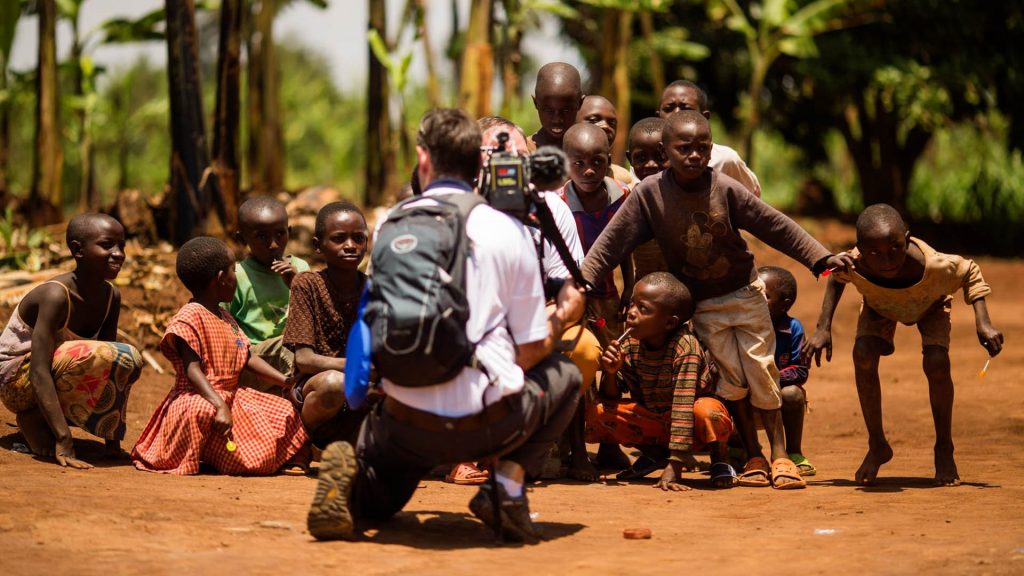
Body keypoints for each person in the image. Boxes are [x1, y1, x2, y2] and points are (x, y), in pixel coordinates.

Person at [306, 108, 585, 543]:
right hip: (488, 424)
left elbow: (369, 329)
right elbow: (531, 349)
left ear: (423, 160)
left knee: (383, 500)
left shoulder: (389, 225)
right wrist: (565, 312)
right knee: (565, 374)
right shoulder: (506, 228)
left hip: (406, 423)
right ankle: (505, 489)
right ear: (481, 164)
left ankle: (357, 493)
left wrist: (368, 402)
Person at [580, 110, 852, 490]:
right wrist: (579, 282)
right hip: (703, 303)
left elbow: (772, 223)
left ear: (710, 151)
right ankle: (754, 455)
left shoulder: (723, 187)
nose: (694, 155)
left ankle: (780, 455)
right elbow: (611, 242)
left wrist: (820, 258)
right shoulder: (649, 194)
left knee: (760, 369)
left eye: (702, 148)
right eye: (684, 148)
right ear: (667, 151)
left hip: (743, 292)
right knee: (730, 378)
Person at [803, 204, 1003, 486]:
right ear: (859, 249)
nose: (887, 260)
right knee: (862, 354)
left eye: (895, 248)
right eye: (875, 253)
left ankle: (944, 447)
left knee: (936, 362)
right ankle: (877, 445)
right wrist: (823, 327)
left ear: (907, 239)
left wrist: (983, 322)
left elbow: (969, 272)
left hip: (930, 304)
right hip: (880, 306)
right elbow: (836, 278)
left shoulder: (934, 266)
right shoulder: (853, 262)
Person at [478, 116, 606, 481]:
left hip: (530, 326)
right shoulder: (453, 208)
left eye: (518, 155)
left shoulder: (550, 207)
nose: (509, 164)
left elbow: (570, 288)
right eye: (498, 155)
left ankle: (526, 452)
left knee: (582, 351)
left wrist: (544, 329)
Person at [132, 237, 309, 475]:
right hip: (200, 397)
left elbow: (247, 357)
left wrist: (285, 381)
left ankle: (213, 450)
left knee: (284, 411)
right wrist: (218, 405)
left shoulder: (226, 318)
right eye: (234, 271)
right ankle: (190, 453)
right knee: (201, 411)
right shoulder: (190, 316)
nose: (237, 277)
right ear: (220, 278)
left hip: (232, 397)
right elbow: (192, 370)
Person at [0, 213, 143, 469]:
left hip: (53, 370)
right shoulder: (56, 295)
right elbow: (38, 370)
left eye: (121, 245)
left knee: (124, 357)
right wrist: (64, 439)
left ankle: (48, 419)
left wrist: (112, 440)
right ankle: (34, 420)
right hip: (17, 381)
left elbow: (111, 364)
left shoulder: (111, 296)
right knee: (85, 354)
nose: (119, 253)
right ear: (78, 250)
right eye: (107, 244)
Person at [587, 273, 737, 489]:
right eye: (632, 305)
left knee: (708, 412)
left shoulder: (686, 347)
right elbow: (611, 397)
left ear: (669, 323)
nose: (631, 313)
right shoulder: (630, 343)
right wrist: (611, 372)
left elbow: (683, 406)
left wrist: (675, 467)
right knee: (599, 412)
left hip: (692, 425)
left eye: (643, 309)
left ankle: (720, 457)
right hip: (658, 422)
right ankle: (654, 454)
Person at [282, 201, 371, 452]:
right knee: (335, 384)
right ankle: (299, 444)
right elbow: (305, 360)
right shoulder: (306, 284)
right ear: (318, 245)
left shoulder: (374, 290)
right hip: (317, 386)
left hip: (362, 390)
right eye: (339, 238)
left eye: (358, 238)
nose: (351, 246)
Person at [559, 122, 634, 347]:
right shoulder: (557, 203)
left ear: (609, 161)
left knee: (612, 350)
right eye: (579, 163)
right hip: (569, 293)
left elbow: (624, 247)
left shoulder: (621, 196)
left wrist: (629, 286)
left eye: (597, 162)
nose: (588, 170)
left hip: (607, 293)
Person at [229, 196, 311, 395]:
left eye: (280, 234)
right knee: (292, 346)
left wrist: (297, 286)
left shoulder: (300, 268)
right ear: (242, 240)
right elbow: (225, 333)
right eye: (262, 237)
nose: (273, 244)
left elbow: (315, 315)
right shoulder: (237, 277)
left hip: (293, 353)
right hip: (253, 362)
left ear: (289, 233)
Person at [657, 80, 761, 198]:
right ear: (658, 116)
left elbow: (751, 200)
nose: (676, 114)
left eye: (686, 108)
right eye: (668, 109)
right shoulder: (647, 161)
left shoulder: (726, 160)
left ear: (704, 117)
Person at [758, 265, 815, 476]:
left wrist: (768, 379)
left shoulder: (793, 328)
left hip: (778, 391)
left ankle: (793, 452)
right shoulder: (745, 325)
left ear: (785, 304)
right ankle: (742, 450)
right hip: (748, 393)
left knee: (793, 393)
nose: (756, 300)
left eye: (765, 296)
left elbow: (800, 371)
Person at [626, 117, 670, 282]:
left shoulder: (685, 196)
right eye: (641, 158)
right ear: (630, 159)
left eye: (660, 157)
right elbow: (617, 247)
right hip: (644, 285)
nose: (651, 165)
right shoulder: (631, 200)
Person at [575, 94, 636, 186]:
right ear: (572, 123)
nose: (606, 126)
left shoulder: (623, 179)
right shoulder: (556, 175)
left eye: (612, 123)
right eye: (593, 120)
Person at [530, 62, 584, 150]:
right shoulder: (523, 151)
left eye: (566, 110)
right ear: (536, 103)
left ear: (580, 103)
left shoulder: (589, 153)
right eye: (548, 110)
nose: (557, 119)